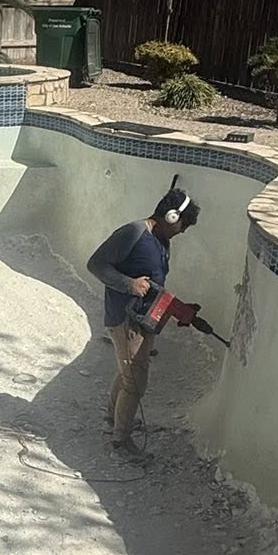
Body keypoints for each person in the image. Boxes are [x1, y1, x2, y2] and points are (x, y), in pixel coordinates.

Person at [86, 181, 199, 455]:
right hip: (125, 319)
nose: (182, 231)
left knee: (129, 375)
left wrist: (175, 308)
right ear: (171, 216)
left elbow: (154, 282)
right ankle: (120, 441)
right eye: (181, 224)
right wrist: (129, 284)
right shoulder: (133, 233)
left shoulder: (162, 240)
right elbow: (95, 264)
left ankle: (113, 419)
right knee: (136, 383)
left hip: (143, 319)